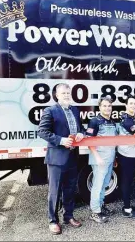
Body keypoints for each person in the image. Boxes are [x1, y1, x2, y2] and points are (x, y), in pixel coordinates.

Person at [38, 83, 85, 235]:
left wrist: (81, 134)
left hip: (72, 156)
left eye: (68, 92)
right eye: (63, 93)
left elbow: (81, 128)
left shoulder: (75, 110)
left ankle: (68, 216)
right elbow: (42, 131)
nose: (66, 95)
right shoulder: (50, 110)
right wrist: (61, 140)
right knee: (54, 191)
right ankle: (53, 221)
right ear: (57, 95)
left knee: (70, 189)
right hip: (57, 158)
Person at [86, 97, 117, 223]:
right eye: (104, 106)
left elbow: (113, 142)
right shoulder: (94, 121)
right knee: (97, 186)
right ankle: (95, 212)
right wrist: (98, 158)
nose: (107, 108)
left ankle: (101, 205)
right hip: (99, 159)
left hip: (109, 158)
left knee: (104, 185)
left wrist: (114, 158)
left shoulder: (113, 122)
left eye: (109, 106)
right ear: (99, 107)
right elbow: (89, 141)